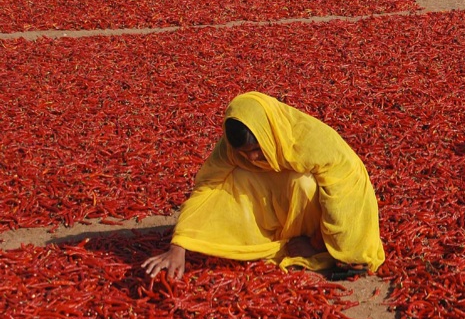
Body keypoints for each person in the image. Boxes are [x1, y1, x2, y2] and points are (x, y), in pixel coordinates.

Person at [142, 91, 385, 280]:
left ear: (268, 135)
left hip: (323, 219)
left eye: (257, 149)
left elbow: (346, 196)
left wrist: (316, 244)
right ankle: (272, 238)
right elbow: (206, 187)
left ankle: (314, 244)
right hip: (286, 212)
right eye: (245, 153)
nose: (253, 158)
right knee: (233, 178)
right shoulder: (230, 150)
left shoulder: (314, 143)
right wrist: (179, 246)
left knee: (302, 182)